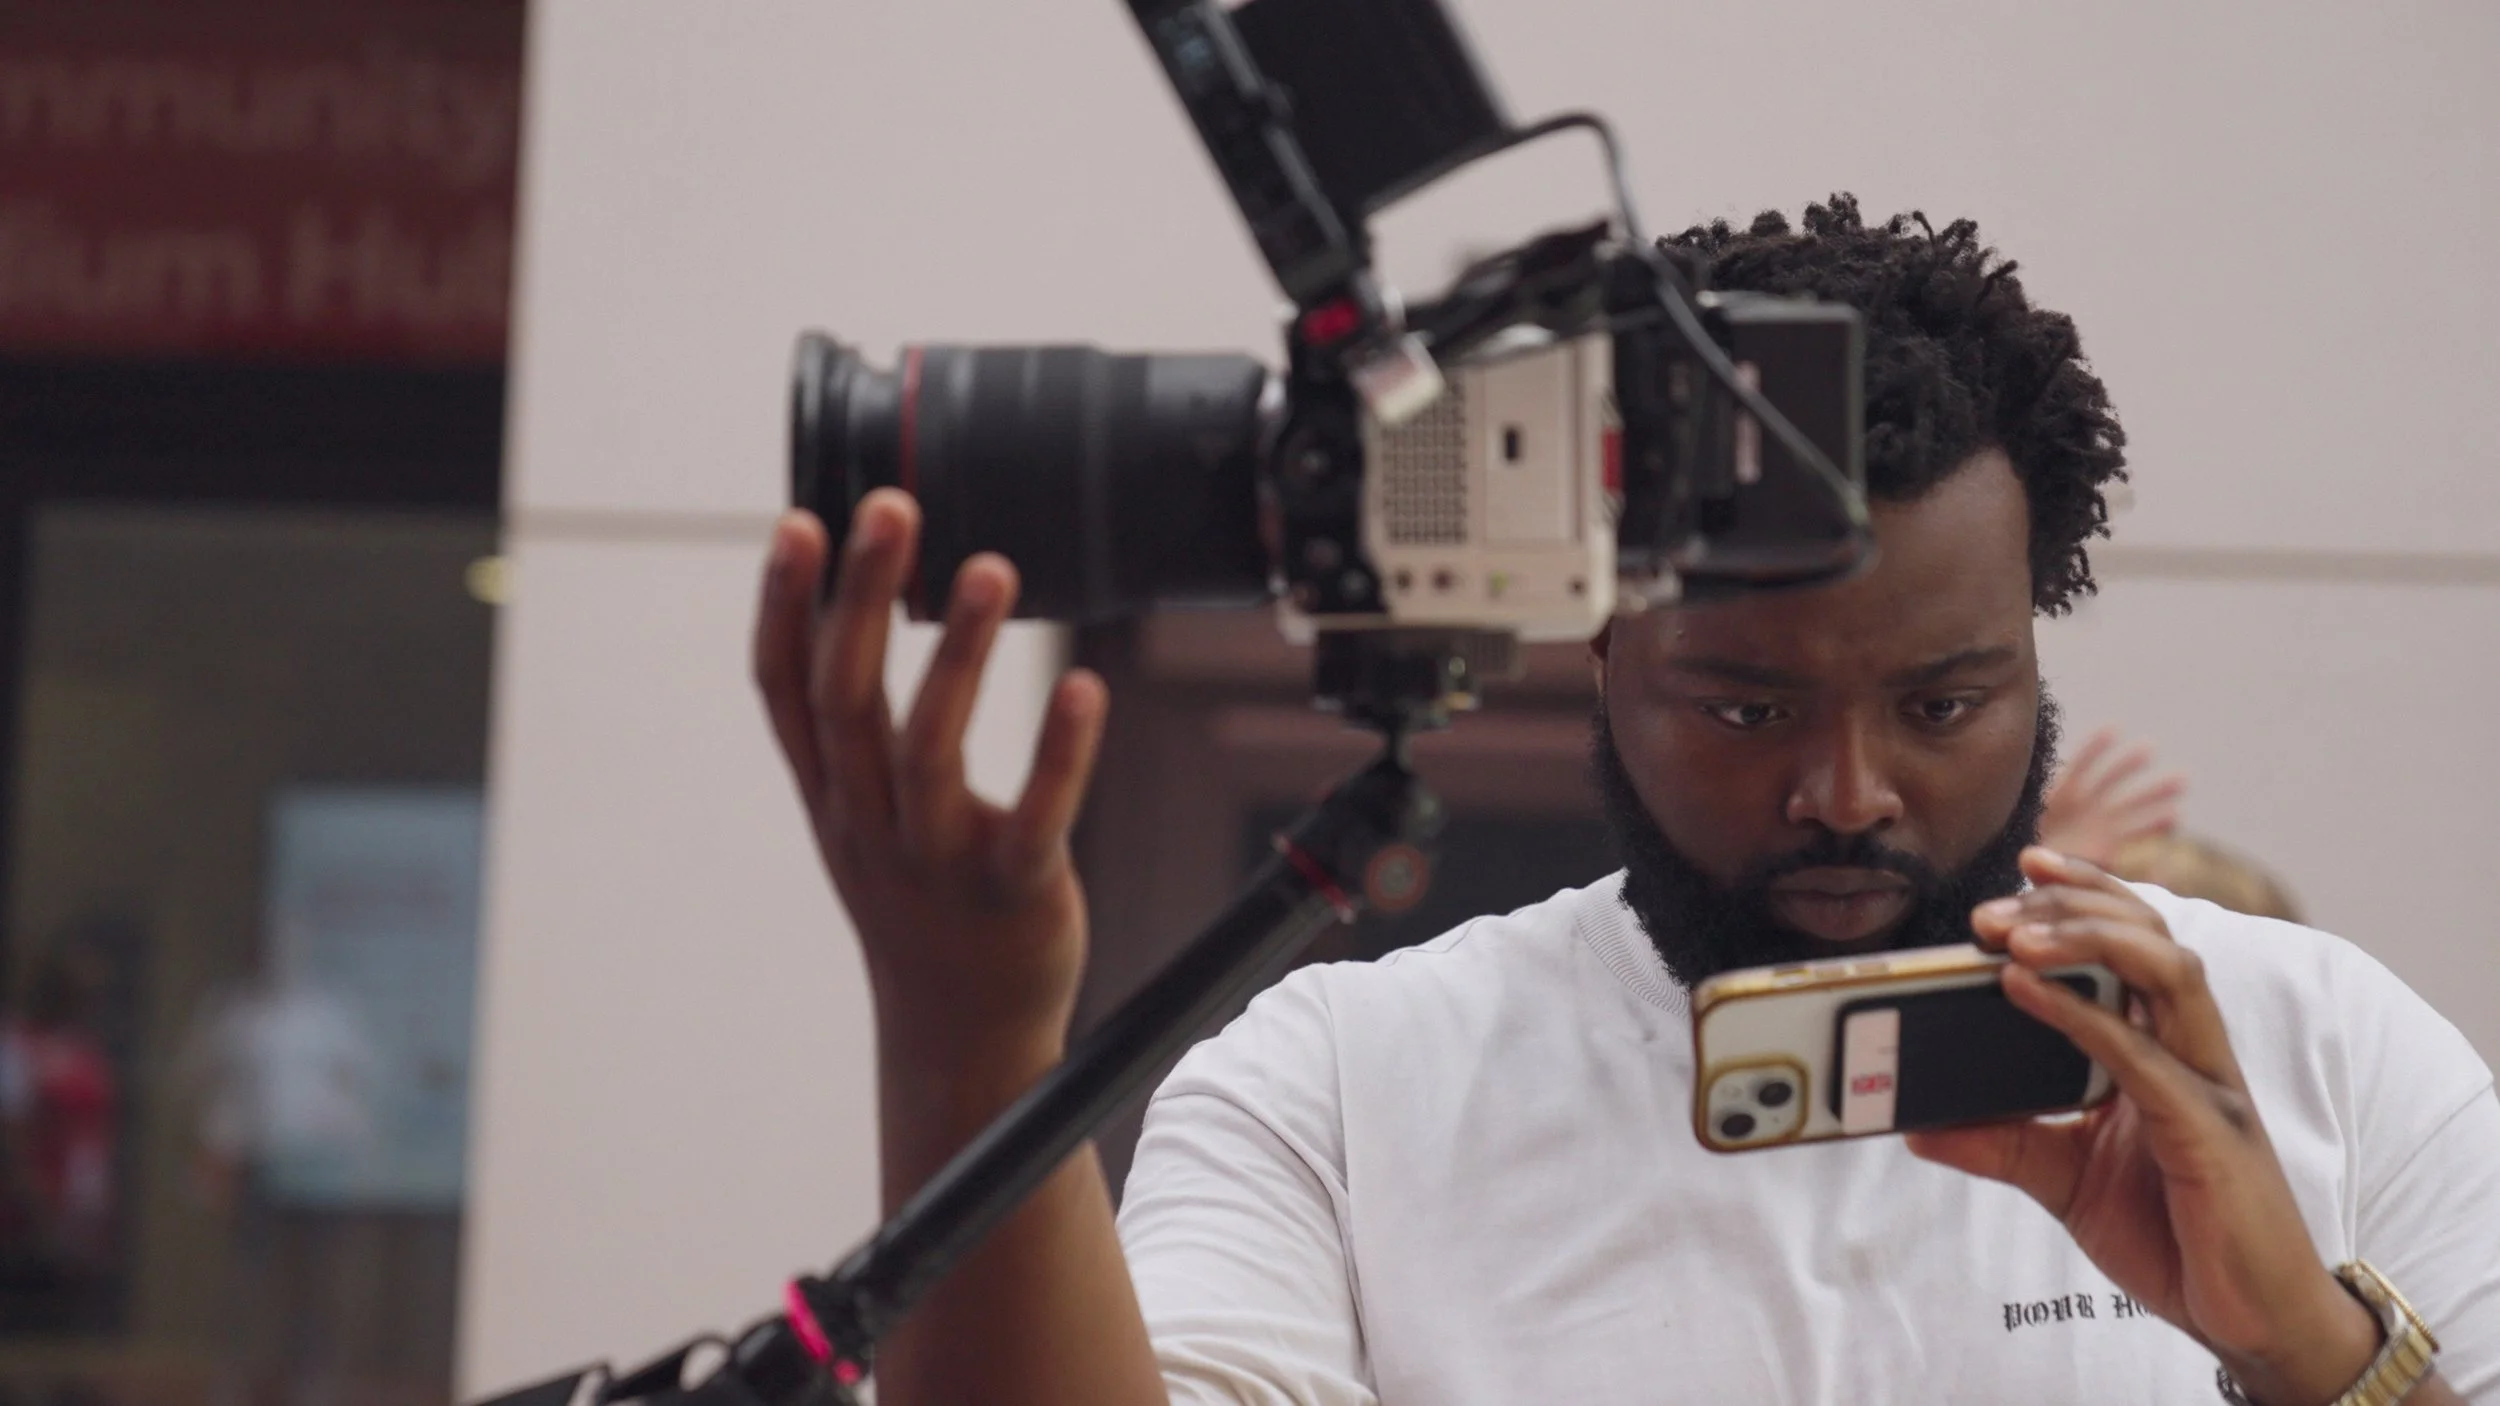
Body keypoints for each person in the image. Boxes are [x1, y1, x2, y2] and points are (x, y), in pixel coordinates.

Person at [750, 197, 2499, 1404]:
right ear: (1600, 648)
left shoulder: (2323, 1050)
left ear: (2036, 650)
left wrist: (2315, 1356)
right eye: (1747, 702)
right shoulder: (1347, 1087)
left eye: (1944, 701)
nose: (1847, 791)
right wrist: (970, 1042)